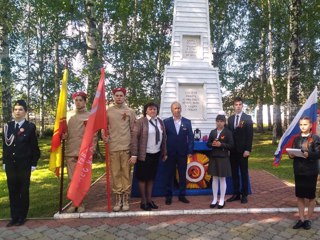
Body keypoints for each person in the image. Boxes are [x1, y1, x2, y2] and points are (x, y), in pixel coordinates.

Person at [2, 100, 40, 227]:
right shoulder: (8, 126)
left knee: (23, 190)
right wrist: (4, 161)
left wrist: (33, 163)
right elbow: (5, 146)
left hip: (24, 164)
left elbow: (34, 147)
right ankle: (14, 217)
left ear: (25, 112)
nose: (17, 112)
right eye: (16, 109)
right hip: (11, 165)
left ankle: (22, 217)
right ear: (13, 111)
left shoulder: (30, 127)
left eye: (20, 109)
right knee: (12, 190)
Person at [102, 87, 136, 212]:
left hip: (126, 147)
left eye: (121, 95)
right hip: (113, 146)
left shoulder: (130, 112)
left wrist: (134, 149)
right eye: (117, 95)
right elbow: (104, 127)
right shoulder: (108, 111)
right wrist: (104, 136)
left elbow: (133, 130)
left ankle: (126, 198)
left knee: (126, 174)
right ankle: (118, 198)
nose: (119, 97)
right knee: (115, 173)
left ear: (124, 97)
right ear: (113, 97)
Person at [130, 102, 167, 211]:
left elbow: (164, 138)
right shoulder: (140, 121)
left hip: (156, 154)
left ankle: (149, 200)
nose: (152, 111)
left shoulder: (160, 122)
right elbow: (134, 139)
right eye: (150, 109)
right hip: (143, 155)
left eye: (154, 109)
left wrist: (164, 152)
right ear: (146, 110)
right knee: (142, 178)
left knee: (151, 178)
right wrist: (134, 154)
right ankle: (143, 201)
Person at [288, 116, 320, 230]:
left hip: (311, 171)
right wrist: (291, 155)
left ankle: (308, 220)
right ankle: (301, 219)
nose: (303, 126)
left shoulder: (316, 138)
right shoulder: (296, 139)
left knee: (311, 197)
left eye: (305, 124)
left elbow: (318, 154)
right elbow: (293, 151)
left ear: (310, 125)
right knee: (300, 196)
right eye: (301, 124)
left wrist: (309, 154)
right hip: (299, 170)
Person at [63, 91, 91, 213]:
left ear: (85, 101)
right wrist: (63, 136)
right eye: (76, 100)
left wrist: (92, 148)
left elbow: (93, 135)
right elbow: (63, 132)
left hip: (84, 152)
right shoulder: (68, 116)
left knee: (81, 179)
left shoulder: (90, 115)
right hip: (70, 150)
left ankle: (81, 203)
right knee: (71, 178)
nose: (78, 102)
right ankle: (73, 202)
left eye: (80, 100)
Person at [164, 101, 194, 205]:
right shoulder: (166, 122)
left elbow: (190, 137)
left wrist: (190, 151)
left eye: (179, 108)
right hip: (170, 153)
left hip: (182, 153)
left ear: (181, 109)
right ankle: (168, 195)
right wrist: (164, 152)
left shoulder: (187, 122)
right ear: (172, 110)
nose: (177, 110)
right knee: (169, 174)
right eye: (175, 108)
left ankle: (182, 195)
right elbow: (163, 139)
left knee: (182, 174)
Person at [227, 97, 253, 204]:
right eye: (236, 105)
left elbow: (250, 135)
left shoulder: (247, 118)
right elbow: (229, 135)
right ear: (233, 106)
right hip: (233, 151)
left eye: (240, 104)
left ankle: (244, 194)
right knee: (234, 173)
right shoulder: (230, 119)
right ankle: (236, 194)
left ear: (242, 106)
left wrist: (247, 149)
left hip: (243, 151)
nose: (238, 106)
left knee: (243, 173)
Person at [207, 111, 234, 209]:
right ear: (216, 122)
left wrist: (221, 145)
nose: (219, 123)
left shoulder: (228, 132)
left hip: (223, 158)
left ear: (224, 122)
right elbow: (208, 143)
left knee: (222, 179)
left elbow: (231, 145)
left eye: (221, 121)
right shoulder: (213, 132)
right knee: (214, 178)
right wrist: (212, 144)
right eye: (218, 121)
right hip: (214, 157)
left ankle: (222, 199)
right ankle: (214, 199)